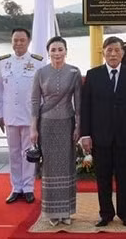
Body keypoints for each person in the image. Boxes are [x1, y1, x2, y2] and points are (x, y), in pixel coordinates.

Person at [80, 36, 126, 227]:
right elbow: (86, 107)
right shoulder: (93, 75)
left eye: (117, 50)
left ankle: (125, 214)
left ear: (123, 53)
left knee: (125, 177)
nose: (113, 54)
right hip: (101, 137)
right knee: (103, 177)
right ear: (104, 53)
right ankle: (105, 214)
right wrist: (86, 134)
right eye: (109, 50)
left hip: (125, 136)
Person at [30, 36, 82, 226]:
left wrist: (78, 125)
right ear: (48, 52)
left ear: (66, 51)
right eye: (53, 50)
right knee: (50, 168)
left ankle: (67, 211)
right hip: (47, 125)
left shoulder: (74, 72)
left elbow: (79, 102)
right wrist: (33, 128)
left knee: (67, 166)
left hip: (67, 124)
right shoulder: (41, 73)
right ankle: (52, 212)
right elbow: (35, 101)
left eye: (60, 49)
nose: (57, 53)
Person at [0, 28, 45, 204]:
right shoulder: (3, 62)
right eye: (15, 40)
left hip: (29, 116)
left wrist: (38, 117)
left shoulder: (37, 62)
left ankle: (28, 188)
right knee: (13, 153)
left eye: (22, 40)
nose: (18, 43)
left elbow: (42, 92)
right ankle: (16, 187)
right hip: (10, 116)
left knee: (29, 154)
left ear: (28, 41)